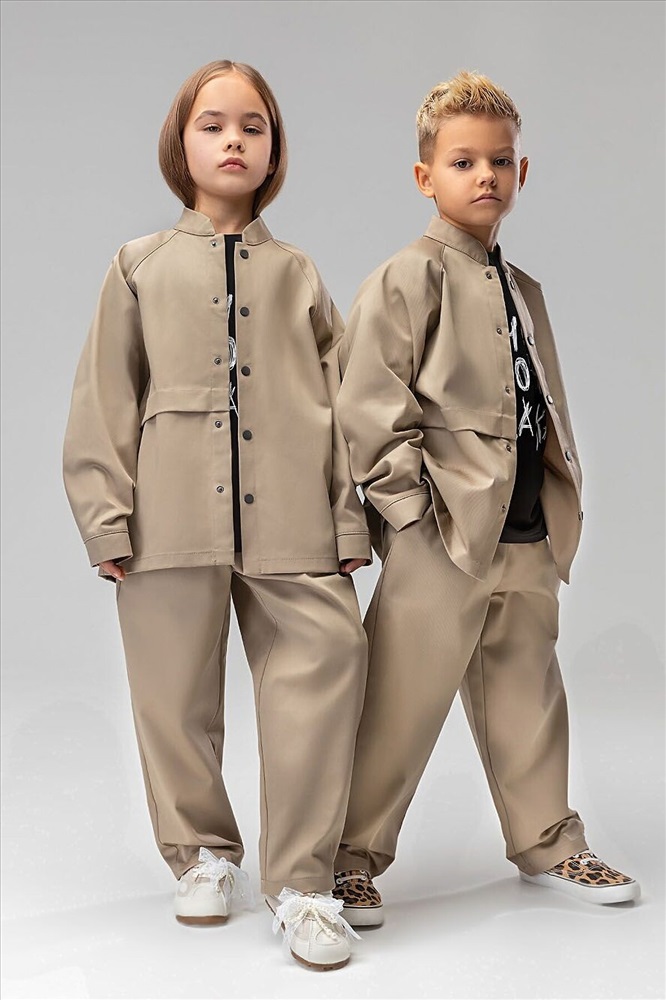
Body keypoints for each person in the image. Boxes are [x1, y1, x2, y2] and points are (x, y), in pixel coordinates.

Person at [63, 59, 370, 971]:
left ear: (274, 150)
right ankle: (201, 854)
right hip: (168, 519)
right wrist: (105, 517)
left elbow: (342, 407)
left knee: (324, 669)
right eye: (213, 124)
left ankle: (303, 884)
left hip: (294, 520)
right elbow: (104, 398)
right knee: (172, 699)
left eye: (253, 126)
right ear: (181, 143)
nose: (234, 140)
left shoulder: (298, 273)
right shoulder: (139, 265)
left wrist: (348, 522)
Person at [330, 71, 639, 928]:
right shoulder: (407, 278)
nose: (485, 176)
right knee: (397, 701)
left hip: (526, 530)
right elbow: (367, 406)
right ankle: (348, 856)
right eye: (463, 161)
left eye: (500, 161)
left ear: (522, 171)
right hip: (442, 536)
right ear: (424, 175)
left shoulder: (521, 288)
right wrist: (410, 518)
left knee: (527, 692)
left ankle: (548, 840)